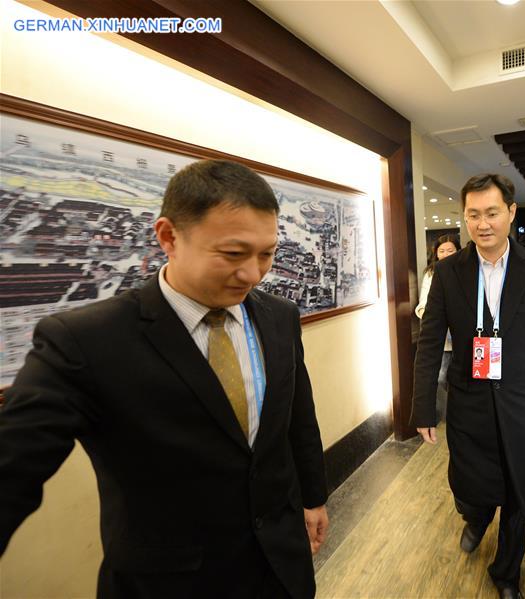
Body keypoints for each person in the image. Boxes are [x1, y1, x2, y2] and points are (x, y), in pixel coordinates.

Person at [0, 160, 329, 599]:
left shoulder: (279, 317)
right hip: (171, 582)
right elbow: (14, 464)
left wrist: (314, 495)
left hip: (281, 566)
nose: (253, 274)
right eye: (233, 254)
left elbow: (296, 417)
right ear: (169, 237)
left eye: (266, 254)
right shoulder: (85, 341)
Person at [411, 173, 525, 599]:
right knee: (470, 484)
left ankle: (507, 572)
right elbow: (429, 343)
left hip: (524, 401)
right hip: (469, 402)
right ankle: (475, 517)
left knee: (518, 490)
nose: (483, 223)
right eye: (473, 214)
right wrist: (423, 407)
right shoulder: (448, 271)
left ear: (511, 213)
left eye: (492, 212)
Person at [415, 234, 461, 422]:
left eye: (450, 250)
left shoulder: (466, 271)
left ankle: (459, 410)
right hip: (442, 339)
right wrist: (436, 316)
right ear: (436, 253)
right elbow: (422, 305)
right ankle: (446, 413)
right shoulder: (431, 273)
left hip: (463, 337)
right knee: (441, 377)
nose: (446, 254)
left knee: (462, 377)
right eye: (442, 251)